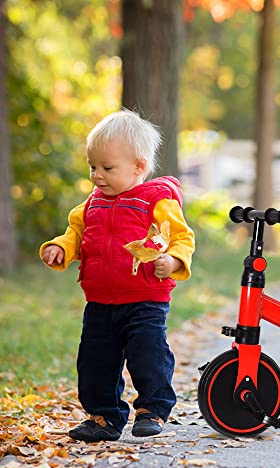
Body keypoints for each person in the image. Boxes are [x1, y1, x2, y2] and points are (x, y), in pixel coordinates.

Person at [40, 109, 195, 442]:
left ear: (138, 167)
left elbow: (182, 237)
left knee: (148, 355)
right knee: (95, 363)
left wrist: (173, 260)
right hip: (99, 302)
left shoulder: (157, 200)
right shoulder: (91, 205)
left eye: (107, 168)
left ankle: (152, 409)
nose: (97, 176)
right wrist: (61, 249)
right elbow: (76, 234)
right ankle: (104, 417)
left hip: (145, 300)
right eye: (92, 167)